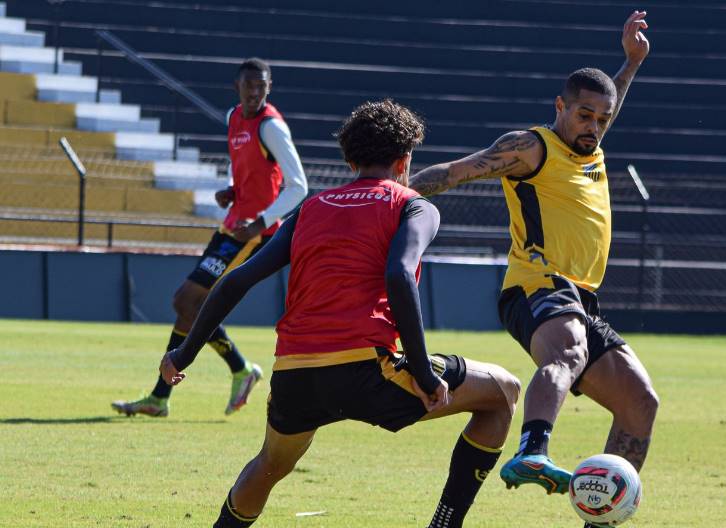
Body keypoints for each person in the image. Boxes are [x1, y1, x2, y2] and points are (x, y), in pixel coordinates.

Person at [157, 99, 521, 528]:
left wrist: (182, 355)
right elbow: (400, 275)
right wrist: (424, 374)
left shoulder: (310, 209)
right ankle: (444, 525)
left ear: (350, 160)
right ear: (405, 160)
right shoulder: (413, 205)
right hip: (365, 369)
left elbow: (237, 280)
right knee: (503, 392)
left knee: (270, 465)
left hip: (294, 370)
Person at [408, 10, 658, 507]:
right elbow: (458, 171)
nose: (594, 128)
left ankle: (601, 513)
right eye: (584, 116)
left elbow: (609, 102)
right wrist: (393, 192)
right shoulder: (532, 147)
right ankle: (533, 450)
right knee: (567, 351)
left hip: (582, 296)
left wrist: (630, 65)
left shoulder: (591, 147)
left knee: (640, 401)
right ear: (560, 106)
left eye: (602, 120)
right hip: (536, 283)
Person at [112, 57, 308, 417]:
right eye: (248, 84)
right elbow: (257, 172)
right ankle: (224, 375)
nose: (254, 91)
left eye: (261, 85)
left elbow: (299, 187)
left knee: (186, 300)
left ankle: (180, 389)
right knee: (190, 304)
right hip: (232, 226)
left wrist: (259, 221)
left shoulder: (272, 127)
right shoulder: (234, 117)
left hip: (252, 233)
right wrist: (233, 190)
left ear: (269, 87)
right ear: (237, 86)